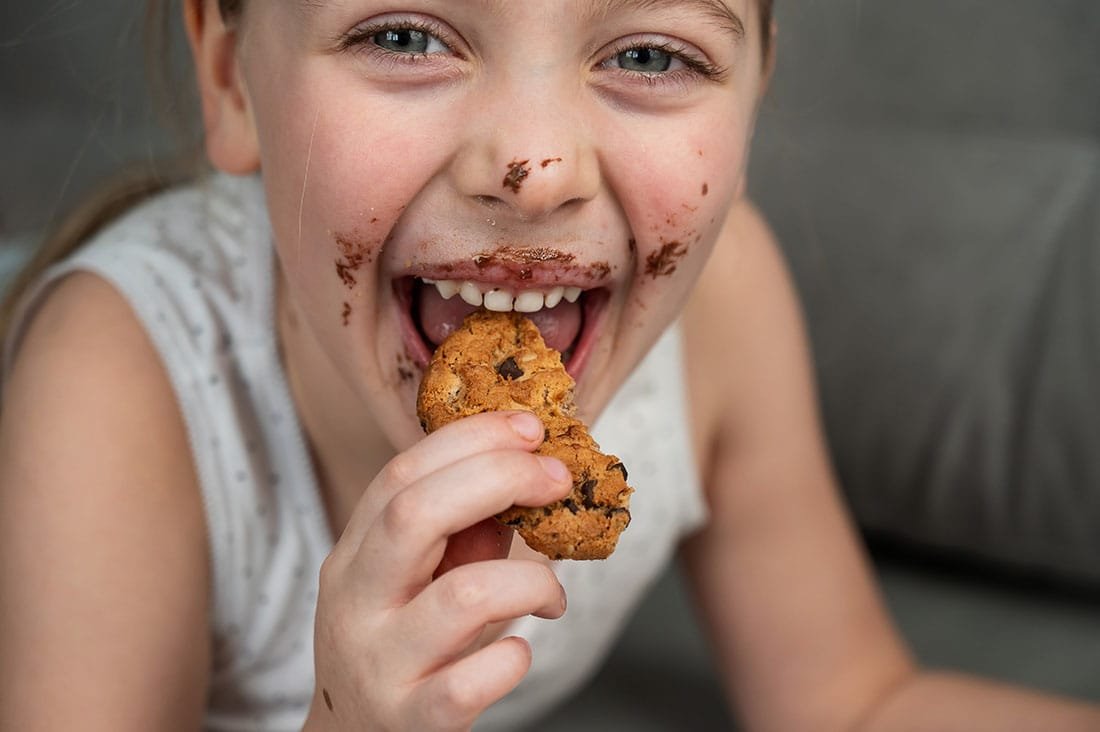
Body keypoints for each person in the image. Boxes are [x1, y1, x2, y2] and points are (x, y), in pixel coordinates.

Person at [0, 1, 1097, 730]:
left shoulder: (722, 305)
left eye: (649, 55)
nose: (534, 168)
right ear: (232, 75)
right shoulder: (117, 387)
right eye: (405, 35)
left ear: (755, 92)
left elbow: (858, 702)